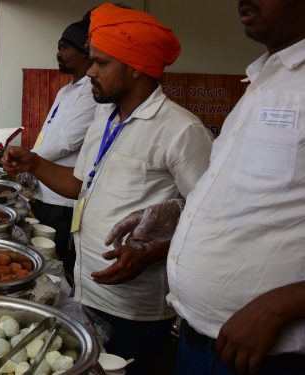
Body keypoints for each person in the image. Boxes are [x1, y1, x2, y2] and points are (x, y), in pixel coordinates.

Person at [2, 4, 214, 374]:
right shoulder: (105, 115)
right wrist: (34, 163)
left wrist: (150, 254)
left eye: (101, 63)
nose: (91, 71)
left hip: (136, 307)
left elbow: (209, 222)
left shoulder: (182, 131)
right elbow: (78, 186)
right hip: (86, 290)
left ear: (136, 68)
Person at [105, 1, 305, 374]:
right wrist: (179, 213)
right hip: (200, 338)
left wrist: (284, 304)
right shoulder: (265, 78)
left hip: (266, 353)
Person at [28, 17, 96, 280]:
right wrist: (29, 162)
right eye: (59, 46)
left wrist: (29, 160)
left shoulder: (91, 90)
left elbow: (66, 141)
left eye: (65, 47)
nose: (59, 53)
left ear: (85, 52)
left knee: (58, 266)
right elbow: (47, 136)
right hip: (44, 189)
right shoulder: (67, 91)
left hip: (64, 199)